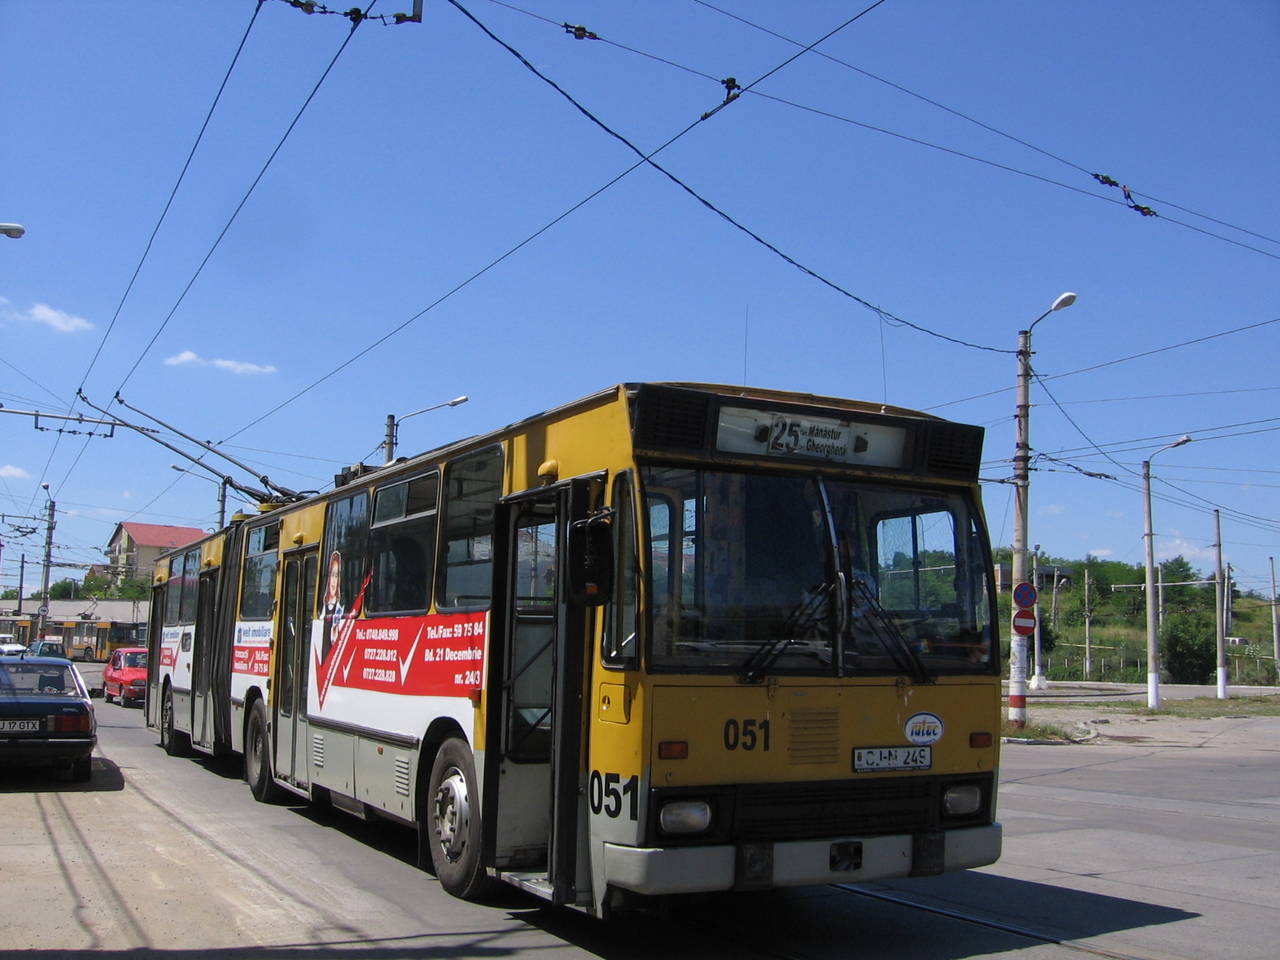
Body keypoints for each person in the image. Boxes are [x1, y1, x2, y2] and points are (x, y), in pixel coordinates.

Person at [320, 551, 343, 664]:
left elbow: (335, 640)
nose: (334, 581)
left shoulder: (339, 608)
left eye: (336, 576)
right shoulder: (322, 606)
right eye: (332, 575)